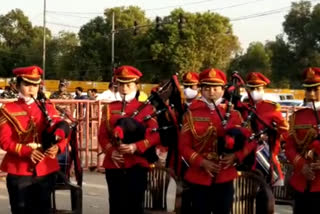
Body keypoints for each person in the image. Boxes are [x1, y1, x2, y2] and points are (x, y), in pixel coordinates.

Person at [179, 68, 253, 214]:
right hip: (198, 176)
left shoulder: (234, 114)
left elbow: (250, 141)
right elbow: (183, 146)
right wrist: (202, 162)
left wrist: (236, 156)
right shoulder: (191, 114)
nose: (211, 92)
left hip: (225, 175)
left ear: (223, 89)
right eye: (206, 88)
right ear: (201, 90)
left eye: (215, 88)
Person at [0, 65, 69, 214]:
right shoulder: (8, 110)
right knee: (21, 209)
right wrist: (26, 151)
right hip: (19, 169)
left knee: (43, 209)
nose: (31, 89)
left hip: (45, 167)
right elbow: (4, 141)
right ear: (17, 85)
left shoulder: (47, 107)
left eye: (35, 85)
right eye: (27, 84)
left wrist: (58, 147)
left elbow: (62, 132)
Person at [98, 65, 160, 214]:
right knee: (115, 204)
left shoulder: (146, 108)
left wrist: (135, 146)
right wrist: (111, 151)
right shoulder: (109, 108)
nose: (124, 88)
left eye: (128, 84)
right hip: (114, 163)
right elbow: (102, 135)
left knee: (135, 204)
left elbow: (155, 135)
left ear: (136, 85)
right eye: (121, 84)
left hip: (137, 163)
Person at [244, 72, 289, 186]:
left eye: (258, 88)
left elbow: (284, 129)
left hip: (265, 154)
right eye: (252, 88)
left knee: (266, 192)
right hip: (245, 154)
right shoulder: (243, 107)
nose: (254, 91)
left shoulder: (271, 107)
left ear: (263, 89)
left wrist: (271, 135)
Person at [285, 67, 320, 214]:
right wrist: (302, 165)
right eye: (308, 90)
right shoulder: (297, 117)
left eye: (316, 89)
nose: (311, 94)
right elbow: (289, 147)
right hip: (302, 181)